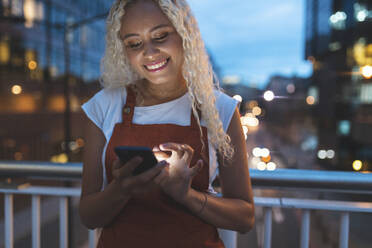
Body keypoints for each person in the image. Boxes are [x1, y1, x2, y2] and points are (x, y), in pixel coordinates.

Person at [79, 0, 255, 247]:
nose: (149, 52)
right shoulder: (103, 106)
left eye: (160, 36)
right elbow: (88, 216)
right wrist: (122, 188)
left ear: (185, 34)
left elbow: (245, 217)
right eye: (134, 43)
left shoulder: (220, 109)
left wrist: (186, 195)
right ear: (124, 50)